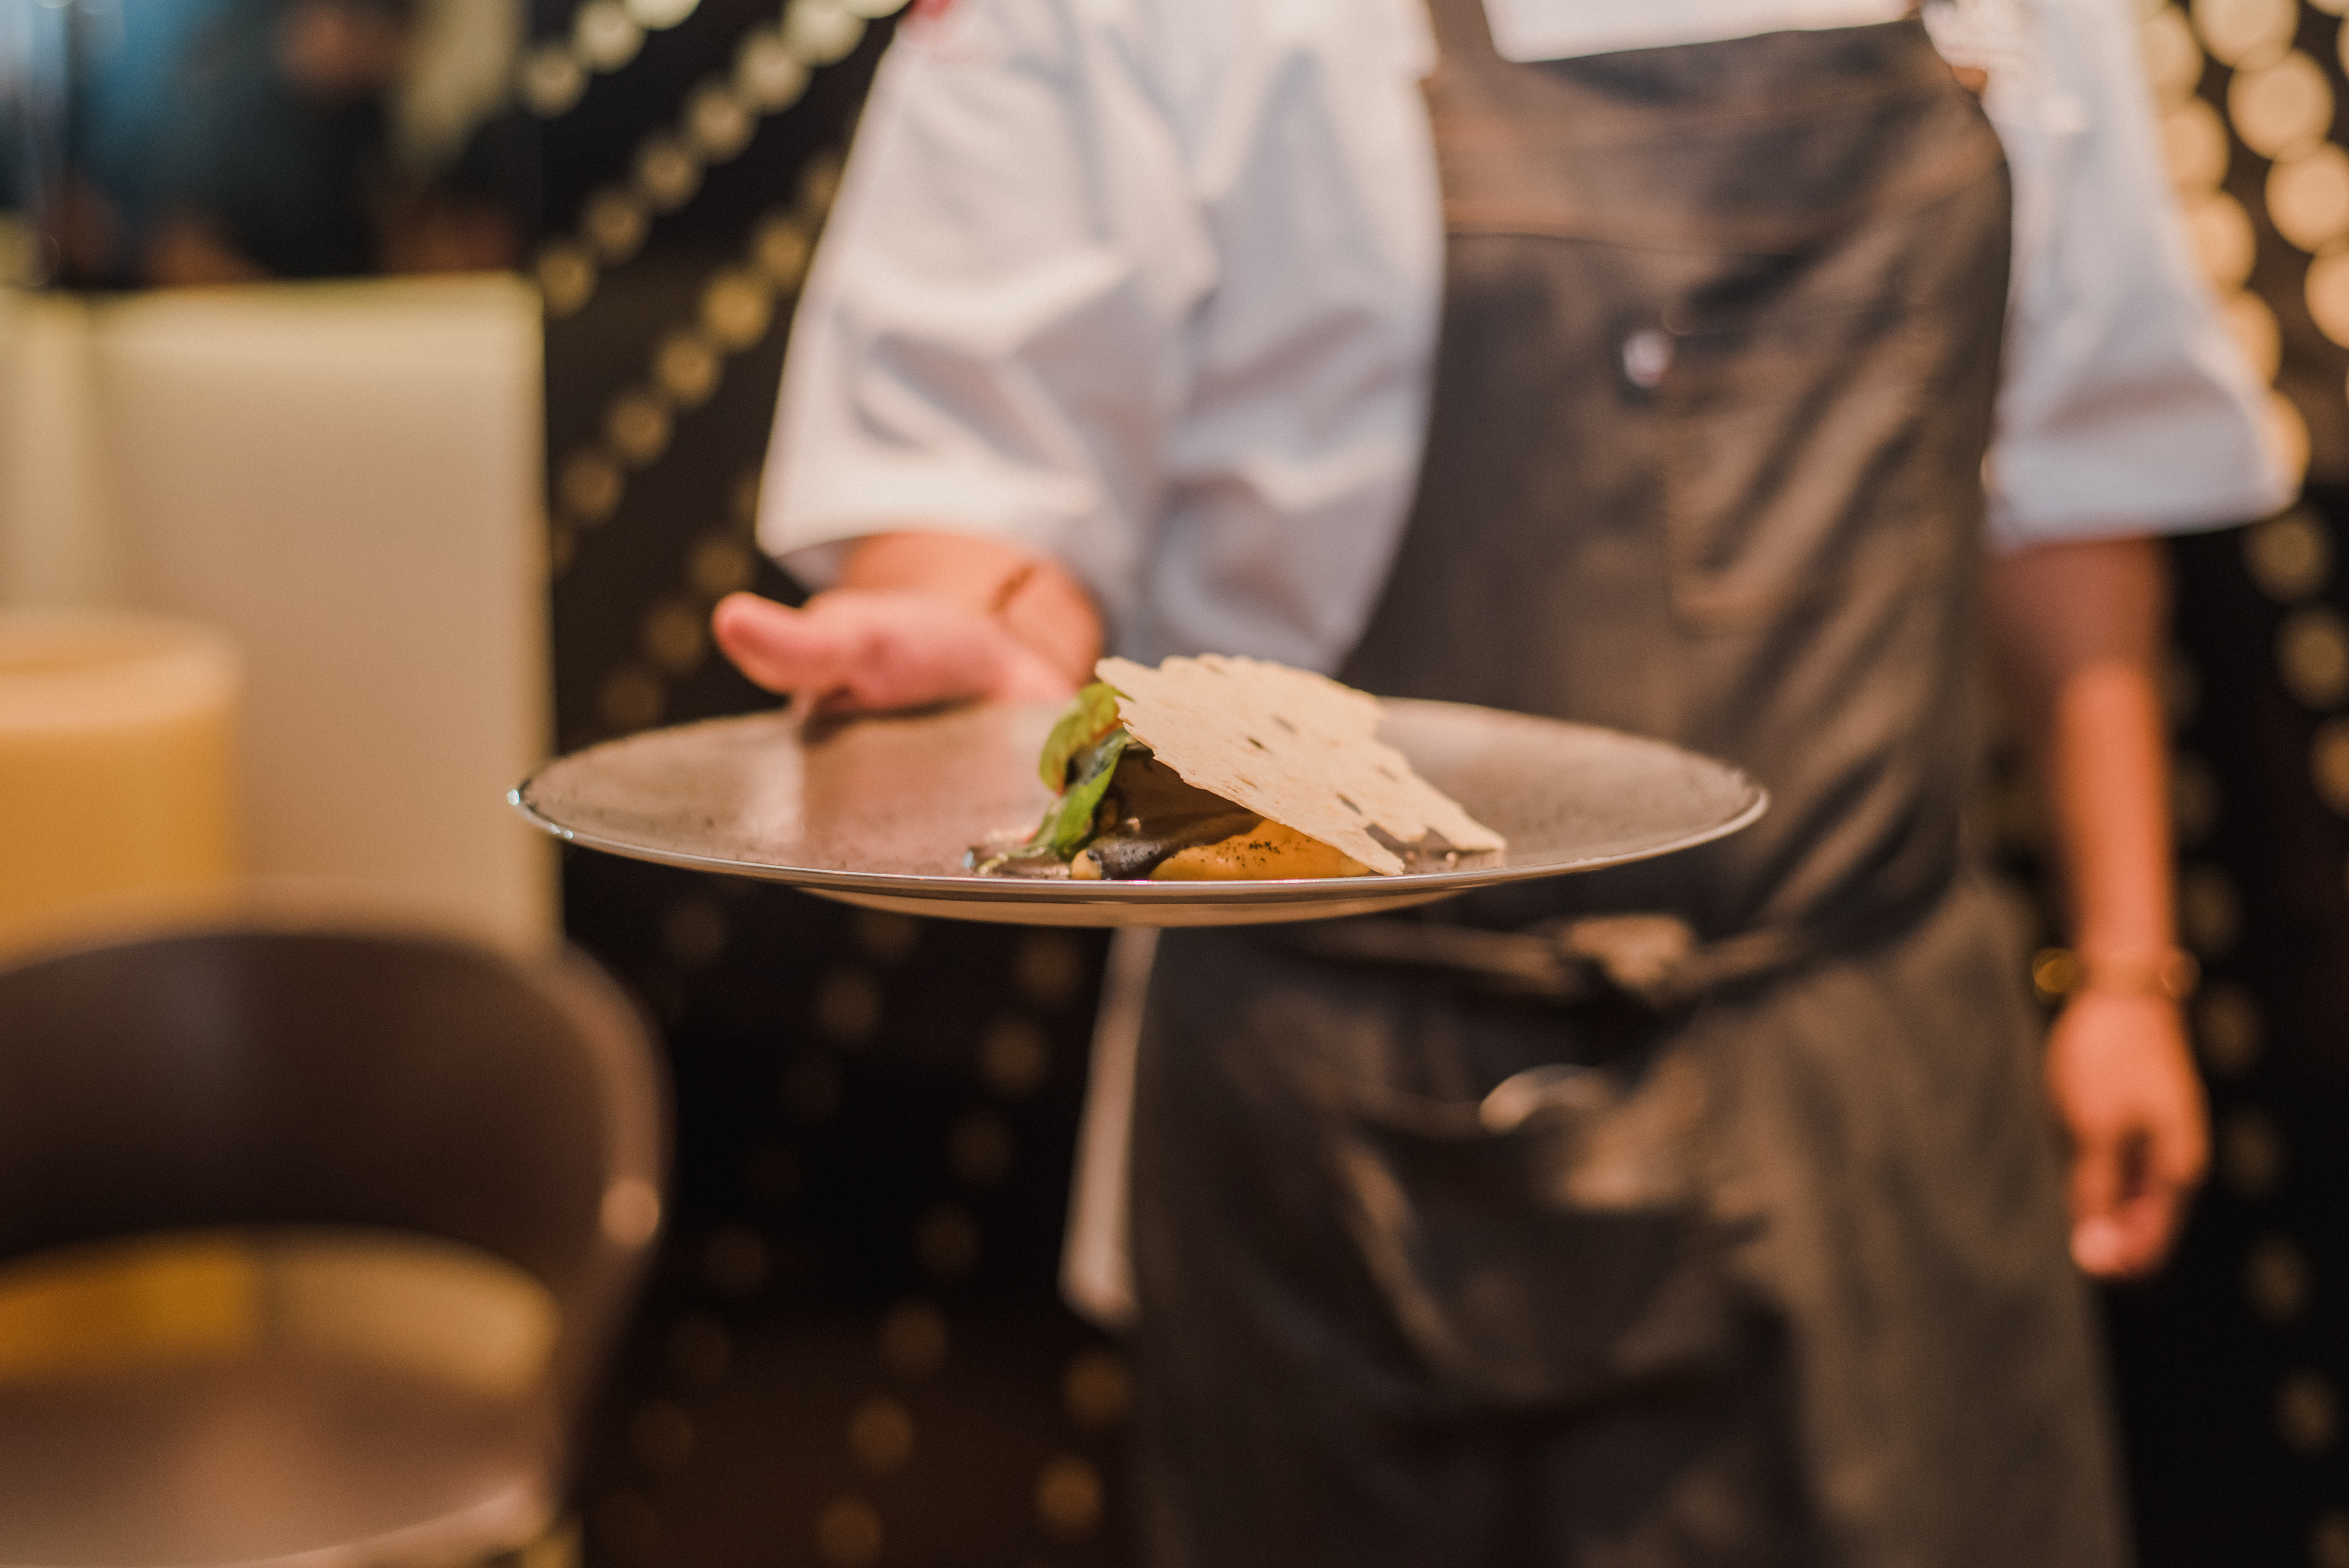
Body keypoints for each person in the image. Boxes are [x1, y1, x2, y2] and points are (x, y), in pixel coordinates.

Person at [713, 0, 2290, 1561]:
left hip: (1867, 1058)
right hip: (1338, 1116)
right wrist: (972, 628)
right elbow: (989, 491)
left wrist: (2124, 967)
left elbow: (2074, 479)